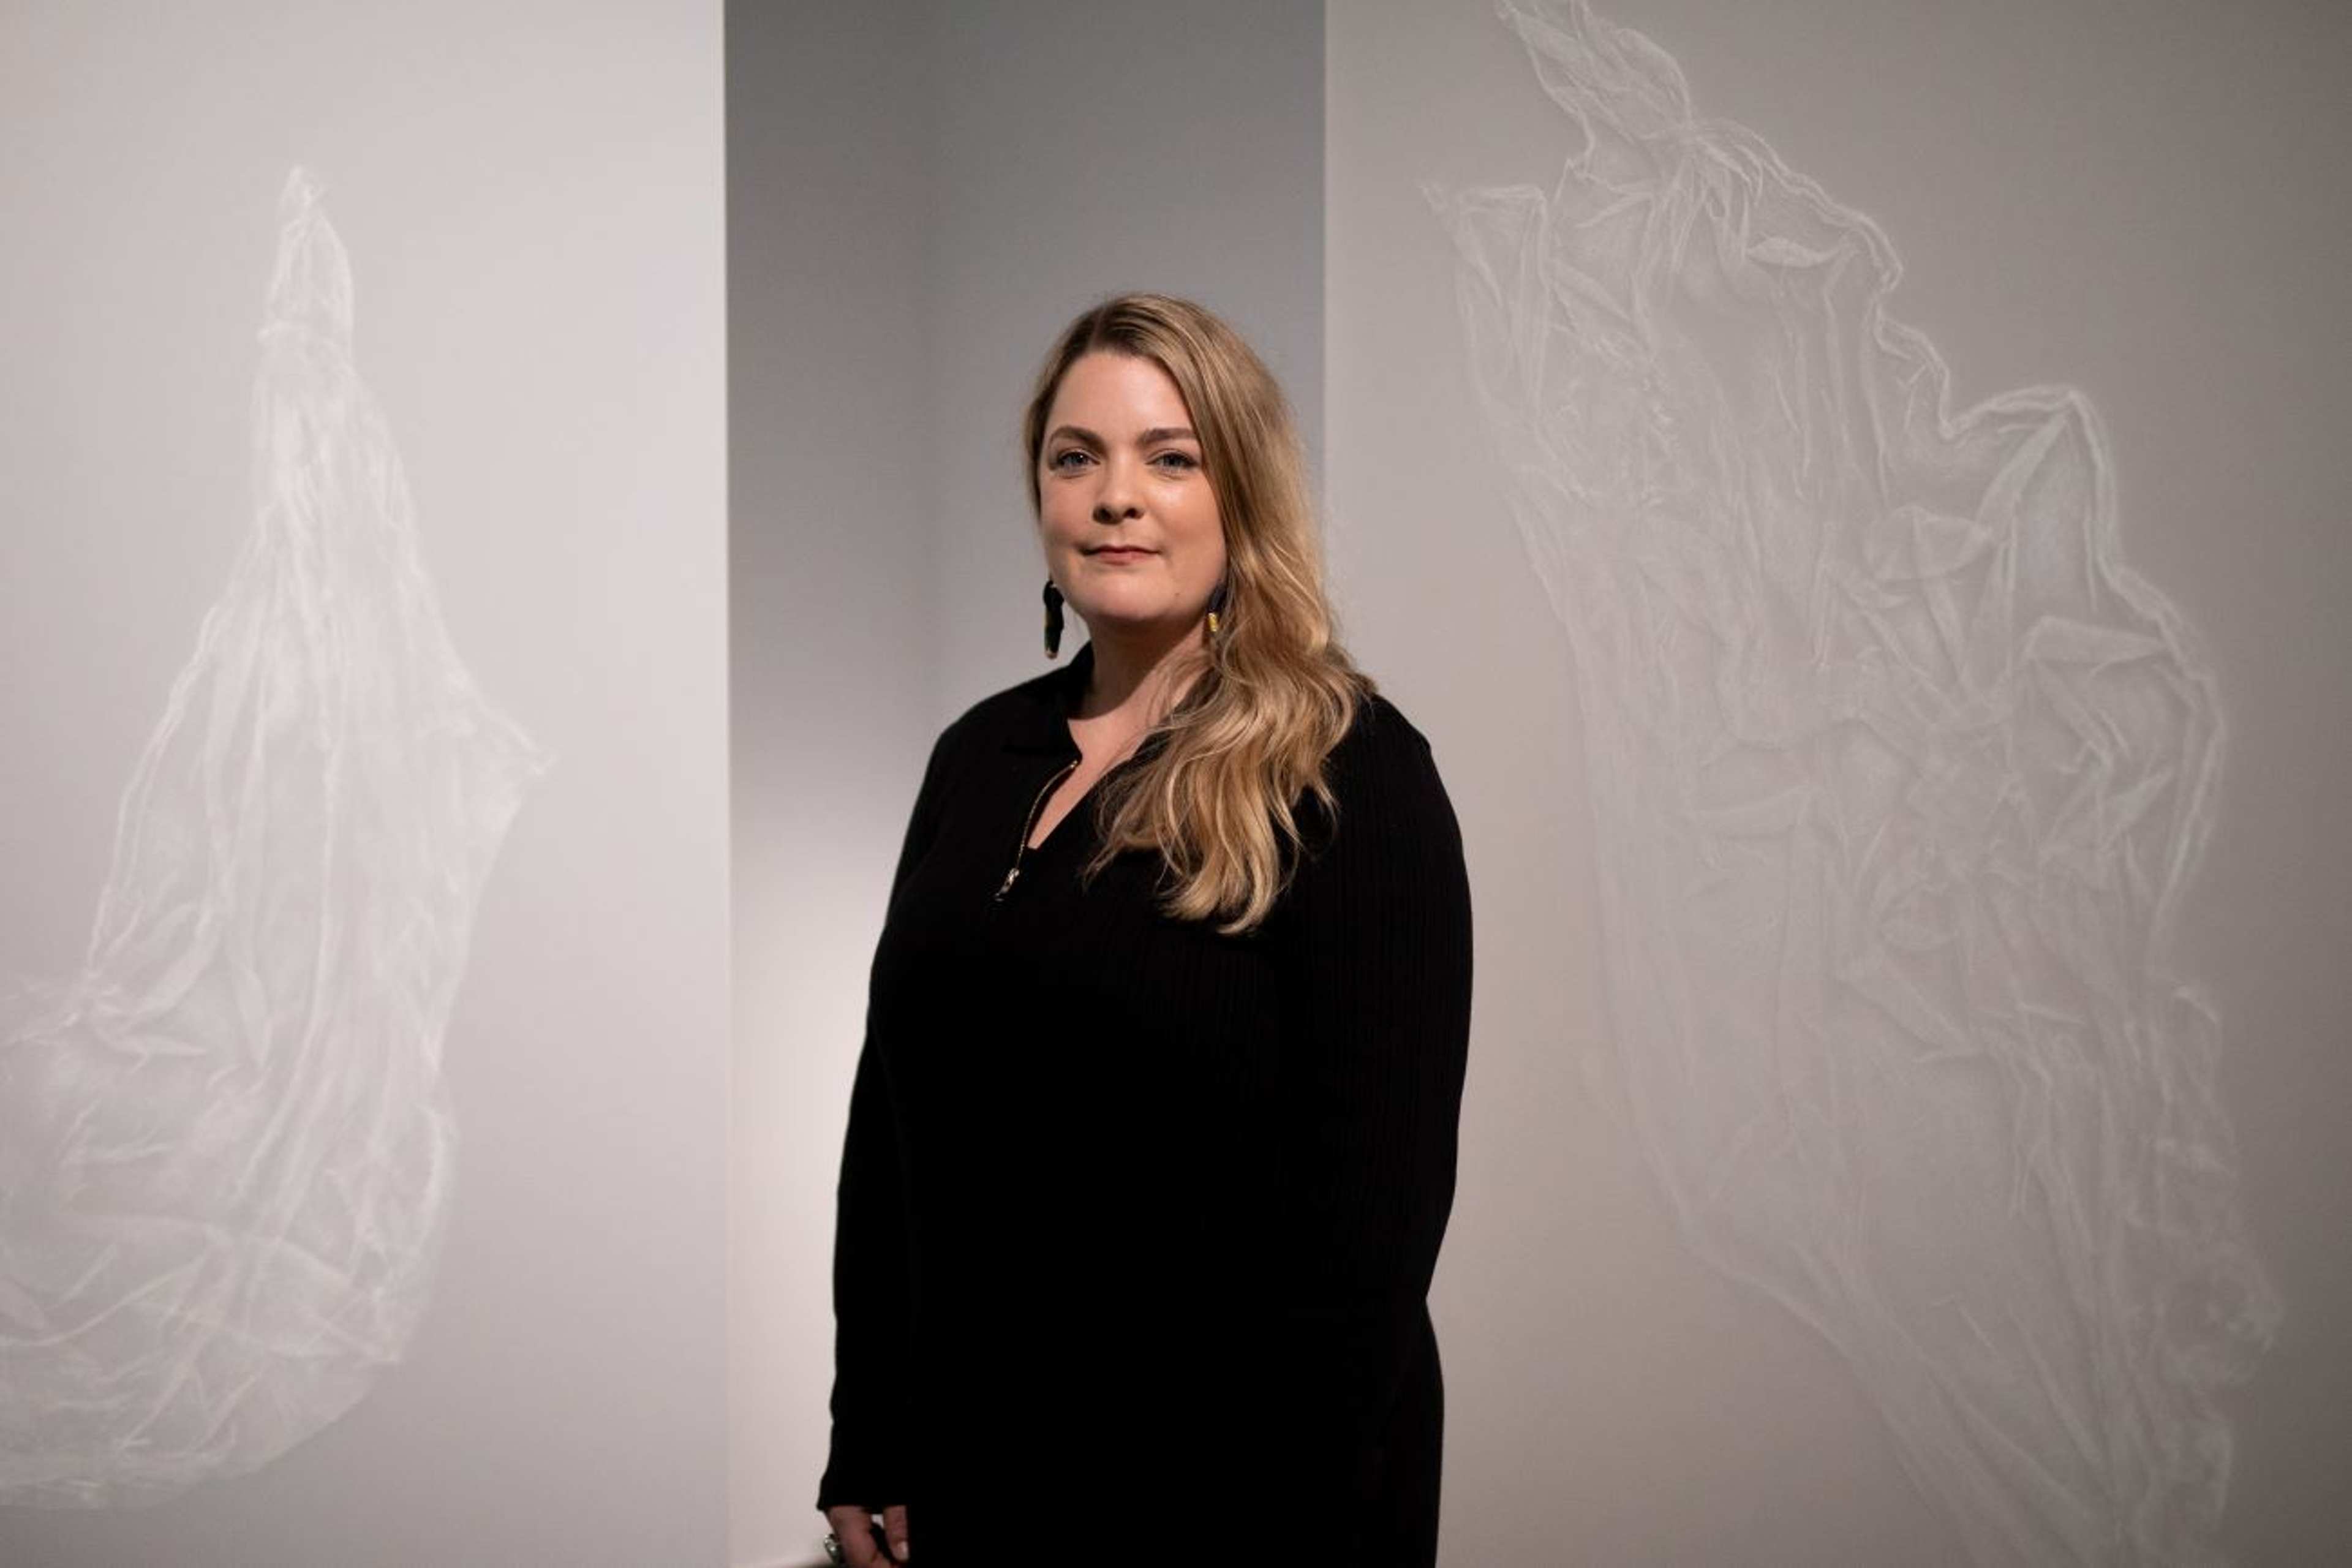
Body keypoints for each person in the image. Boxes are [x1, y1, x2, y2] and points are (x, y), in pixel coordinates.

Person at [815, 293, 1474, 1568]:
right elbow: (890, 1127)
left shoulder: (1350, 771)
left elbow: (1375, 1229)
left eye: (1171, 457)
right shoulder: (979, 753)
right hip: (980, 1470)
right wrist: (870, 1429)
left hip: (1241, 1499)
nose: (1118, 496)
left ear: (1243, 492)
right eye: (1078, 457)